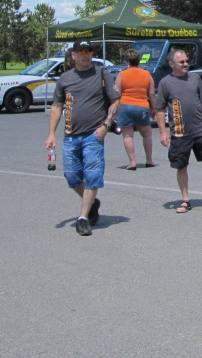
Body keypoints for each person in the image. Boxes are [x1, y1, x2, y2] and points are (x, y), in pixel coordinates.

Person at [44, 40, 120, 236]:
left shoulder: (101, 73)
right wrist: (51, 133)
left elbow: (115, 101)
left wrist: (105, 126)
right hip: (70, 136)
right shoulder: (65, 79)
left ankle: (83, 218)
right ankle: (93, 203)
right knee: (72, 177)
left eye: (89, 51)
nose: (86, 55)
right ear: (73, 55)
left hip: (94, 135)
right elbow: (56, 106)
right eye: (82, 52)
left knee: (92, 177)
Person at [156, 49, 202, 214]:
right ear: (172, 64)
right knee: (182, 166)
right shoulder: (165, 83)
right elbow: (160, 109)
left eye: (186, 61)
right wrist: (162, 132)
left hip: (200, 129)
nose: (186, 64)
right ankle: (185, 199)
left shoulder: (195, 78)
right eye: (182, 62)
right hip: (179, 132)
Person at [115, 49, 156, 170]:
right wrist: (153, 108)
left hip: (125, 105)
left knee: (128, 135)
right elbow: (152, 94)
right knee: (147, 134)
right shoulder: (146, 74)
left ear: (127, 61)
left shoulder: (122, 74)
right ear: (138, 61)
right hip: (142, 106)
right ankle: (149, 160)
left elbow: (116, 92)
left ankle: (132, 162)